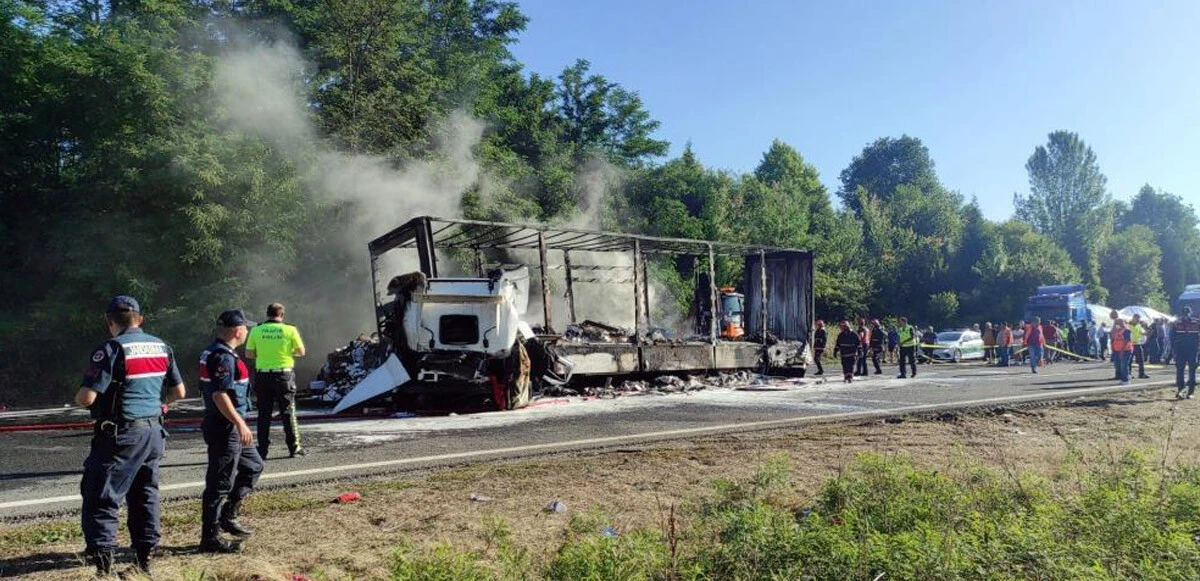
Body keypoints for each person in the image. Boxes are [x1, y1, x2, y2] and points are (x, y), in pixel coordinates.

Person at [77, 296, 186, 575]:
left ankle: (103, 571)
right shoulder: (161, 346)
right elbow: (179, 392)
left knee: (101, 497)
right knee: (145, 496)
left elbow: (87, 397)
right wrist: (158, 406)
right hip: (153, 432)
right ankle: (142, 564)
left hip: (121, 435)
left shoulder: (111, 348)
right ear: (141, 318)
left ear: (109, 321)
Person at [200, 309, 265, 553]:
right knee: (219, 482)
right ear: (238, 331)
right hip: (225, 427)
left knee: (254, 466)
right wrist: (240, 423)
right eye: (246, 328)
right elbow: (219, 395)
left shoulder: (220, 352)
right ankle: (210, 538)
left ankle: (229, 513)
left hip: (232, 426)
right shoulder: (222, 357)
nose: (248, 331)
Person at [246, 303, 307, 459]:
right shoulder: (290, 329)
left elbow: (249, 354)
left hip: (263, 376)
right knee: (288, 411)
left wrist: (265, 354)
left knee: (263, 413)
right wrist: (286, 352)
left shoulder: (257, 330)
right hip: (284, 375)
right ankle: (294, 448)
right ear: (282, 315)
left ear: (267, 314)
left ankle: (263, 450)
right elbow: (301, 352)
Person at [1171, 307, 1200, 399]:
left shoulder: (1196, 322)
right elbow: (1172, 337)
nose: (1186, 316)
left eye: (1187, 314)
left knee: (1192, 371)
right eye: (1184, 314)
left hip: (1193, 350)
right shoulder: (1176, 323)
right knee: (1180, 371)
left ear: (1190, 314)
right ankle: (1181, 390)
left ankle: (1190, 392)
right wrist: (1174, 350)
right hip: (1180, 350)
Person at [1111, 319, 1133, 385]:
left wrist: (1122, 351)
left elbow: (1126, 341)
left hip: (1126, 350)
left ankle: (1125, 380)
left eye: (1117, 323)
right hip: (1117, 350)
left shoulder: (1126, 331)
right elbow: (1113, 337)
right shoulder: (1117, 330)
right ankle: (1123, 377)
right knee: (1118, 365)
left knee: (1124, 365)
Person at [1130, 314, 1149, 379]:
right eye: (1137, 319)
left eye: (1139, 319)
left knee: (1141, 360)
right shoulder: (1128, 325)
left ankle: (1142, 374)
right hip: (1130, 344)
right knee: (1129, 360)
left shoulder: (1138, 325)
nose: (1138, 320)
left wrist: (1146, 329)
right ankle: (1128, 374)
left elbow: (1143, 333)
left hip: (1137, 344)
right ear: (1133, 318)